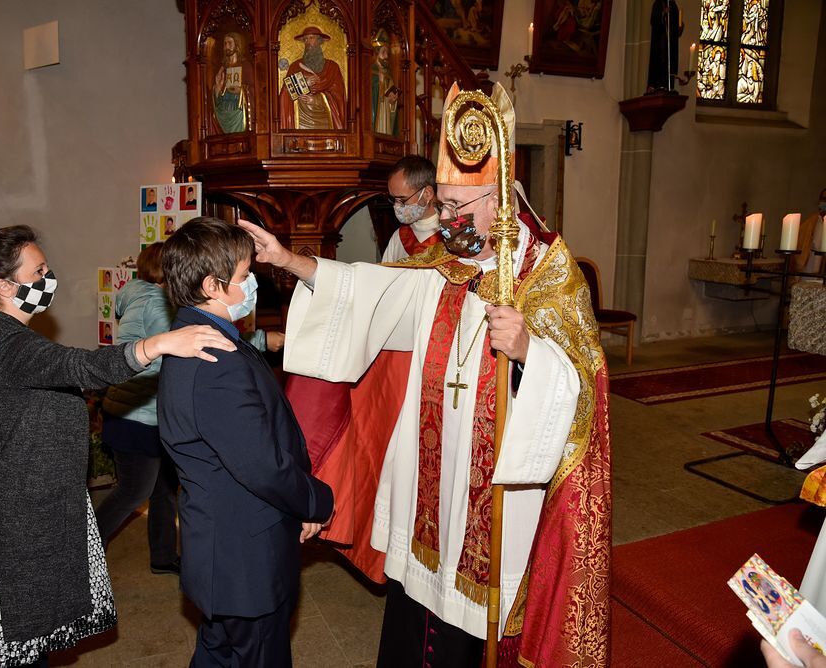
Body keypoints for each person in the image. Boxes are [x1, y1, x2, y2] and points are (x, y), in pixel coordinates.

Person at [241, 81, 610, 666]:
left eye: (456, 208)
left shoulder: (548, 276)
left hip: (497, 494)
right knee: (416, 617)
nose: (444, 220)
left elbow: (583, 390)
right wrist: (290, 260)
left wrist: (528, 353)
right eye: (442, 205)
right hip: (431, 487)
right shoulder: (444, 265)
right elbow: (369, 290)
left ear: (500, 201)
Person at [0, 225, 235, 667]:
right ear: (5, 286)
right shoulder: (7, 343)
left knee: (38, 640)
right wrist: (159, 344)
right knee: (22, 645)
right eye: (38, 271)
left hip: (38, 508)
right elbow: (81, 366)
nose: (49, 278)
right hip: (15, 517)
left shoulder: (14, 336)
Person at [156, 217, 334, 667]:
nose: (253, 282)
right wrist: (314, 500)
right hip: (244, 555)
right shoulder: (214, 358)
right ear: (212, 286)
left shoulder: (202, 339)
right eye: (244, 274)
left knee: (218, 654)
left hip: (229, 549)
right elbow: (260, 465)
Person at [94, 243, 181, 575]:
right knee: (133, 492)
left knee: (163, 490)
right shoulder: (155, 303)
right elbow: (178, 349)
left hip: (144, 413)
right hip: (138, 417)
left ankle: (163, 556)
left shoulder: (138, 297)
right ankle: (82, 553)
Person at [278, 25, 346, 130]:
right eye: (305, 39)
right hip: (300, 121)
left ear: (319, 41)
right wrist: (304, 83)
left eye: (311, 38)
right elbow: (285, 93)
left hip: (325, 121)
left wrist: (317, 100)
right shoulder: (295, 66)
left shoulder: (332, 67)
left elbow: (339, 96)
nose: (308, 42)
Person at [381, 155, 441, 262]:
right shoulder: (399, 237)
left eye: (402, 199)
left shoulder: (450, 236)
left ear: (427, 193)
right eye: (393, 199)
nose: (396, 206)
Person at [211, 32, 253, 134]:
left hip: (238, 109)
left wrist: (241, 91)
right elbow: (218, 97)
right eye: (225, 44)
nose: (227, 47)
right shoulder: (223, 68)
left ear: (237, 45)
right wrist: (217, 88)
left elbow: (253, 89)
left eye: (230, 43)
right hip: (223, 109)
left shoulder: (245, 66)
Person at [370, 30, 398, 136]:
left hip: (386, 120)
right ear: (376, 53)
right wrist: (380, 83)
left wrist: (392, 102)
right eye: (383, 52)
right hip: (376, 120)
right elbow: (369, 97)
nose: (386, 56)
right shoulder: (371, 72)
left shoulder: (388, 75)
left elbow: (391, 103)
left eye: (387, 53)